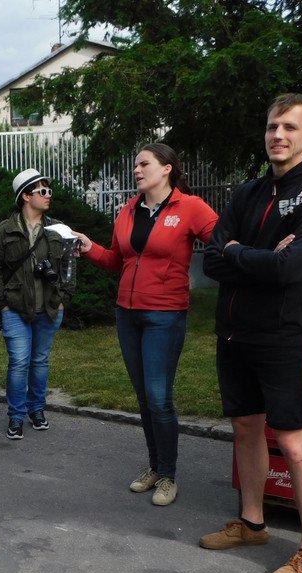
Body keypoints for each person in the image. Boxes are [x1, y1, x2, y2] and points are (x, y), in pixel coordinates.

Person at [200, 93, 302, 573]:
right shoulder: (248, 192)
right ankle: (254, 524)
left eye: (288, 127)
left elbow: (295, 268)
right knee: (245, 428)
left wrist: (240, 252)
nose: (277, 135)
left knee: (293, 441)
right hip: (235, 330)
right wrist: (253, 255)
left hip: (281, 335)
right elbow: (212, 260)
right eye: (271, 127)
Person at [75, 144, 218, 507]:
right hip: (128, 314)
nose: (136, 170)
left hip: (165, 315)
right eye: (135, 164)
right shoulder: (128, 210)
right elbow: (117, 260)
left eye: (144, 164)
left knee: (159, 397)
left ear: (167, 168)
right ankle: (155, 467)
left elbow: (221, 241)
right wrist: (89, 246)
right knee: (143, 398)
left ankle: (169, 475)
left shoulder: (190, 208)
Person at [0, 168, 71, 440]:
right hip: (15, 309)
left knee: (40, 361)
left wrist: (63, 300)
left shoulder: (58, 229)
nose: (49, 196)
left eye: (49, 191)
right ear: (25, 196)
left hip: (49, 307)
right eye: (42, 191)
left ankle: (37, 410)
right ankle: (16, 415)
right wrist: (2, 305)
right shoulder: (5, 230)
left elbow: (70, 268)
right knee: (19, 362)